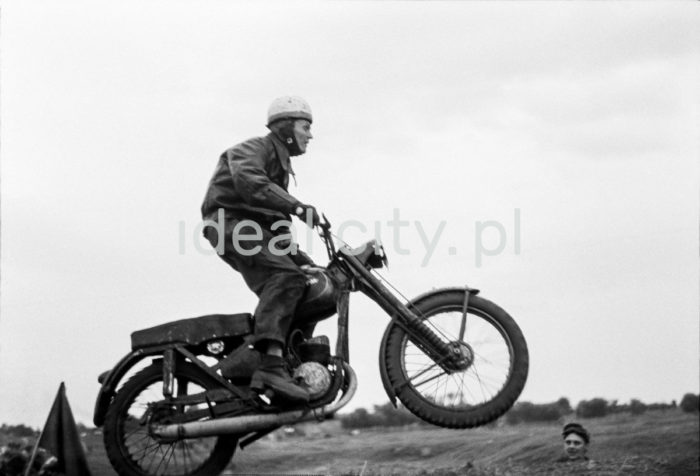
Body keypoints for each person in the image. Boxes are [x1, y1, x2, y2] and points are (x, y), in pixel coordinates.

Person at [201, 96, 321, 404]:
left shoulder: (280, 165)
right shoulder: (254, 149)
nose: (310, 134)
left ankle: (285, 363)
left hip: (250, 228)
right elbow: (250, 182)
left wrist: (303, 259)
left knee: (304, 279)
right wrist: (297, 206)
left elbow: (275, 220)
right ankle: (270, 367)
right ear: (286, 127)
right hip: (228, 223)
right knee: (286, 277)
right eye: (305, 126)